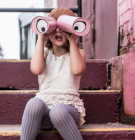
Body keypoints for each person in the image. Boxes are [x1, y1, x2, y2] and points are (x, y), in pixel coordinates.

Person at [20, 7, 86, 140]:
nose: (58, 31)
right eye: (54, 26)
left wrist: (72, 40)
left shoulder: (79, 54)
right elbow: (36, 70)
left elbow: (77, 70)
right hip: (45, 111)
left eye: (62, 27)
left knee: (58, 111)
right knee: (34, 103)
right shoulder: (44, 53)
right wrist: (41, 39)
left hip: (67, 112)